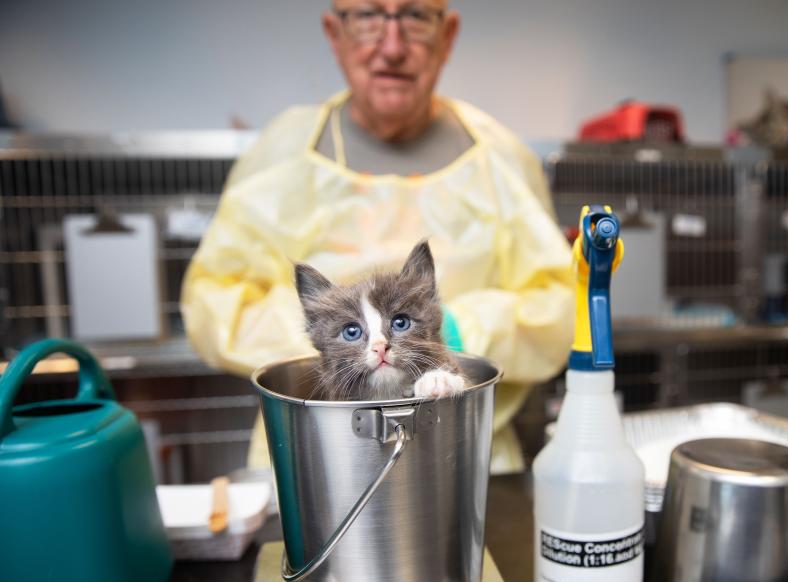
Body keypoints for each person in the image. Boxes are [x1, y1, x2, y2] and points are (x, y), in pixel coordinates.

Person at [180, 0, 574, 473]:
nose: (391, 46)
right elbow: (213, 307)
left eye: (414, 17)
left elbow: (559, 307)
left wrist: (456, 330)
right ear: (334, 33)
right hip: (314, 456)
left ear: (447, 35)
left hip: (465, 454)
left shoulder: (503, 160)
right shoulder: (280, 153)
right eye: (368, 16)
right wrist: (335, 339)